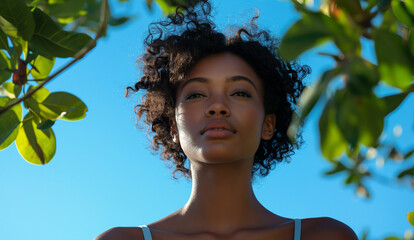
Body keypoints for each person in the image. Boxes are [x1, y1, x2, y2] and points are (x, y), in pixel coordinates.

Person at [95, 1, 358, 239]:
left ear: (269, 124)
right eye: (196, 94)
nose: (217, 107)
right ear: (173, 127)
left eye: (240, 93)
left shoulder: (325, 236)